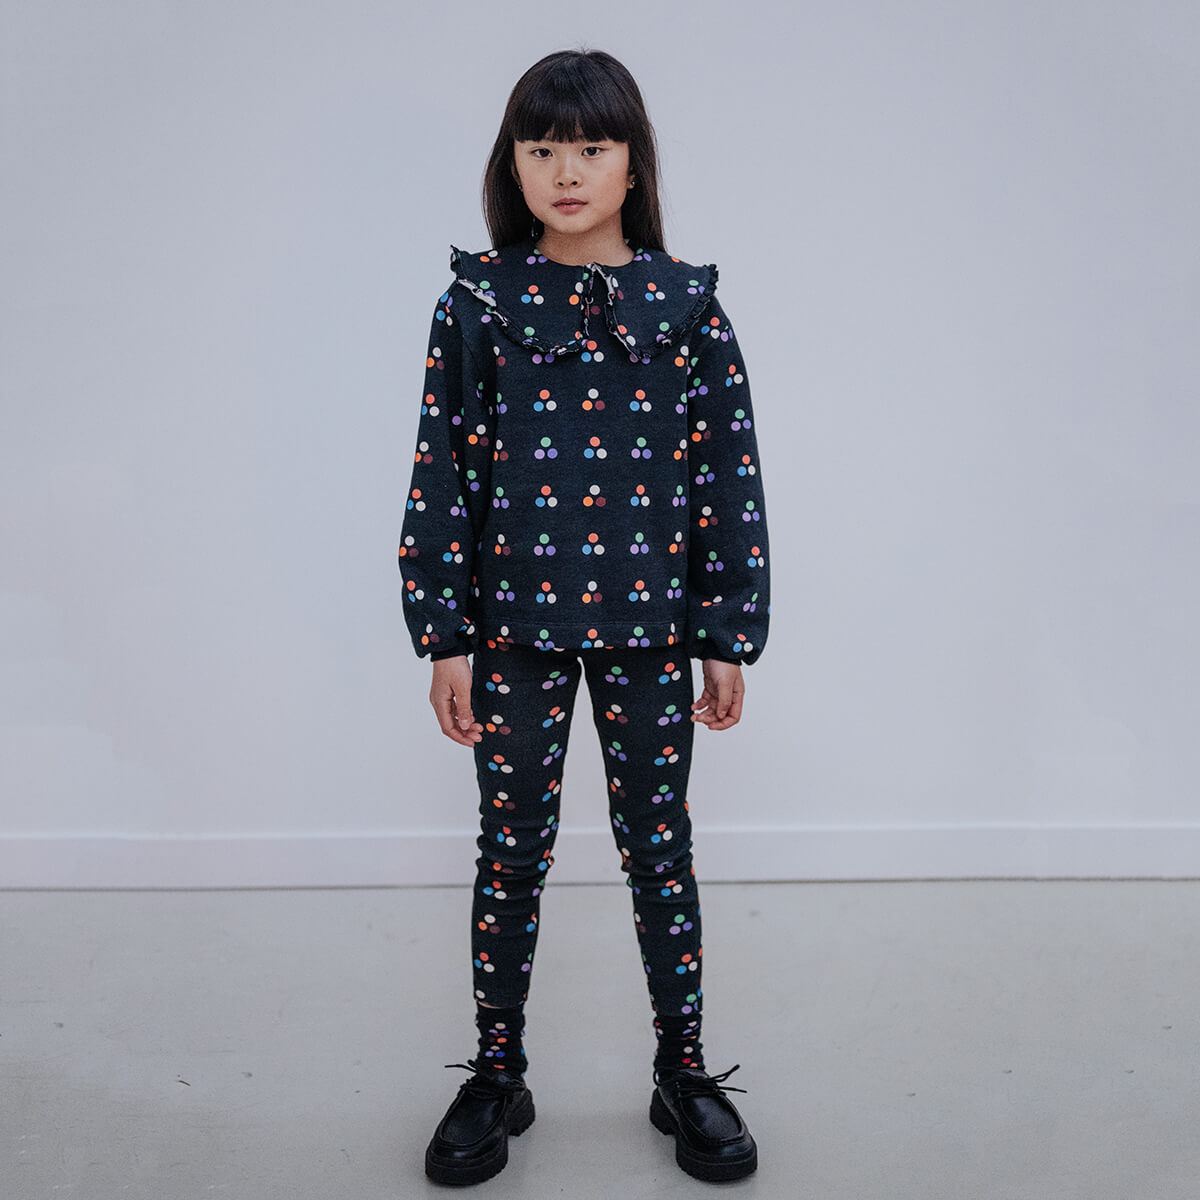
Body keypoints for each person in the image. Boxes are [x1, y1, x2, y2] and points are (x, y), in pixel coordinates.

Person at [397, 48, 770, 1186]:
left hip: (651, 633)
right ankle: (496, 1071)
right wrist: (444, 632)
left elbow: (727, 477)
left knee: (661, 852)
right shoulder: (477, 304)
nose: (567, 172)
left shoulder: (688, 309)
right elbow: (443, 470)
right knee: (510, 849)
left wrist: (725, 632)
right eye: (543, 148)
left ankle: (683, 1072)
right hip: (512, 630)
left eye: (592, 148)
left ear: (631, 165)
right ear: (511, 164)